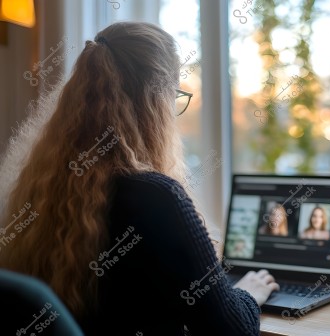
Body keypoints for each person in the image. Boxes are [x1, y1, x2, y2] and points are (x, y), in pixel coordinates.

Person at [0, 22, 278, 335]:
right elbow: (234, 330)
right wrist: (250, 292)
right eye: (174, 96)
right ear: (155, 102)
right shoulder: (157, 196)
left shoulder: (43, 188)